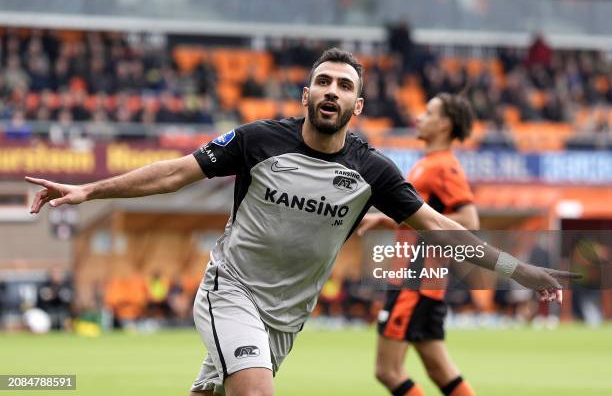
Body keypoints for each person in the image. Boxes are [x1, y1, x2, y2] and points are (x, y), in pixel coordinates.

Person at [26, 48, 576, 396]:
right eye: (324, 81)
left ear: (358, 105)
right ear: (306, 94)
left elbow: (443, 227)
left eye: (344, 85)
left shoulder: (373, 169)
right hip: (231, 290)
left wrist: (517, 269)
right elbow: (174, 174)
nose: (332, 91)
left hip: (287, 317)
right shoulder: (258, 139)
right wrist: (87, 190)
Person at [358, 92, 479, 396]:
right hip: (425, 282)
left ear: (445, 124)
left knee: (388, 371)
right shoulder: (428, 164)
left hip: (414, 281)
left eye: (428, 113)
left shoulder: (443, 167)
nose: (419, 118)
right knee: (439, 369)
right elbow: (422, 218)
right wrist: (387, 220)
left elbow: (469, 221)